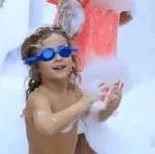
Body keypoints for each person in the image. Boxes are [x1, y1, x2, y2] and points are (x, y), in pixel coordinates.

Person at [21, 26, 123, 154]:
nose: (58, 58)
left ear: (73, 62)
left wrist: (109, 108)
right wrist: (82, 104)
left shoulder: (73, 91)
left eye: (64, 51)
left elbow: (91, 118)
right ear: (36, 68)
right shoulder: (39, 98)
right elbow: (47, 127)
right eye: (48, 55)